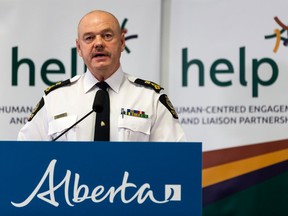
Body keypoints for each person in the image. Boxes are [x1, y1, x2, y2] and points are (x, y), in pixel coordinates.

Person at [17, 10, 186, 142]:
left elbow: (174, 161)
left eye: (107, 36)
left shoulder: (151, 98)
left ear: (121, 43)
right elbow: (24, 157)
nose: (98, 43)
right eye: (89, 38)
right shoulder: (54, 99)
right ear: (79, 48)